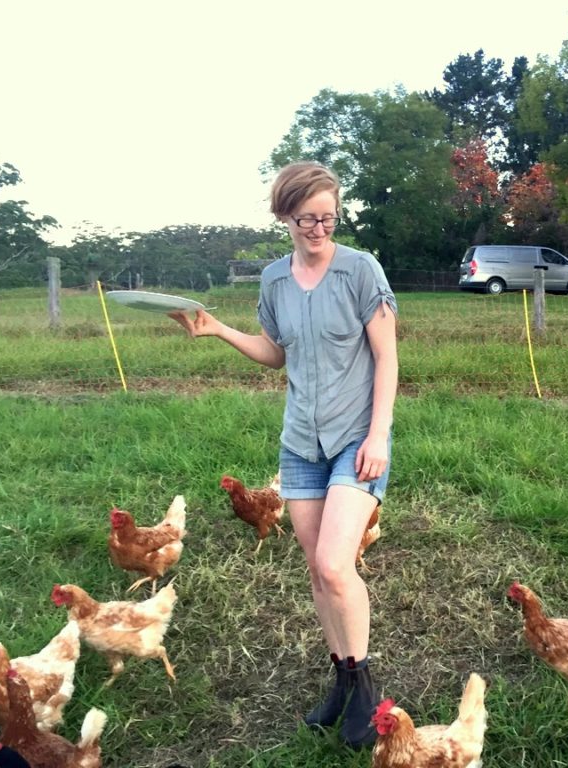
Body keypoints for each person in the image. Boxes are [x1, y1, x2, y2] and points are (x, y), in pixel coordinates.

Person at [170, 161, 397, 749]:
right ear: (284, 217)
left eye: (328, 217)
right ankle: (342, 680)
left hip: (356, 438)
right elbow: (275, 353)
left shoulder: (360, 271)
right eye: (307, 219)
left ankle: (366, 685)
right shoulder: (272, 280)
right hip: (300, 443)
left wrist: (378, 435)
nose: (319, 229)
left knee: (333, 565)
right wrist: (219, 330)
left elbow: (388, 359)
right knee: (316, 571)